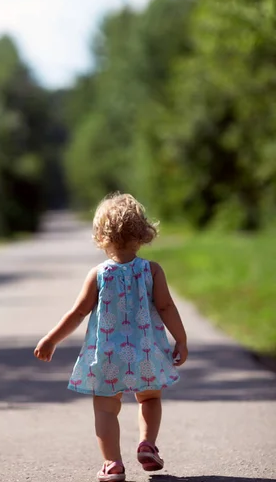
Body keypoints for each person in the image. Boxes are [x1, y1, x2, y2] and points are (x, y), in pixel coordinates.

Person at [34, 192, 188, 481]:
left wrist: (52, 339)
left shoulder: (99, 274)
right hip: (145, 350)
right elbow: (166, 307)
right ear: (142, 234)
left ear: (101, 237)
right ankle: (147, 444)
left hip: (106, 354)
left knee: (105, 408)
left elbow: (78, 313)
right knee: (150, 398)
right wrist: (180, 339)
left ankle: (113, 464)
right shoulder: (152, 271)